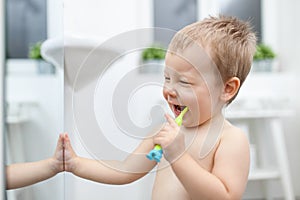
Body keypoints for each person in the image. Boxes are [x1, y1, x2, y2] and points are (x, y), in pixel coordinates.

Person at [62, 15, 257, 199]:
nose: (169, 90)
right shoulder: (165, 132)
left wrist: (179, 157)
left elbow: (225, 196)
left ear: (227, 89)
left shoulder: (230, 139)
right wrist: (76, 163)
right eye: (167, 78)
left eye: (184, 82)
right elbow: (126, 169)